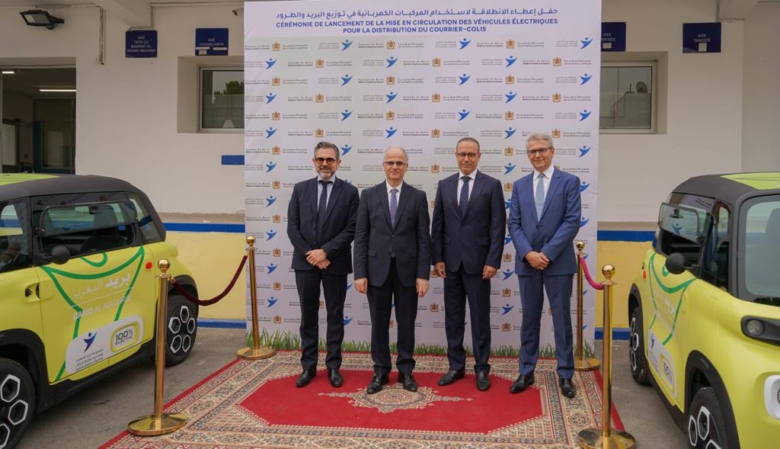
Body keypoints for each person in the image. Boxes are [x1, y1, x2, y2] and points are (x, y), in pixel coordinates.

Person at [508, 132, 582, 398]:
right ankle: (526, 371)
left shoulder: (569, 182)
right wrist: (528, 253)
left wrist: (546, 253)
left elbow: (572, 221)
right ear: (528, 155)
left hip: (558, 263)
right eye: (532, 151)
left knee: (561, 320)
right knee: (529, 319)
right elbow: (514, 224)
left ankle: (565, 374)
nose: (537, 155)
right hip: (528, 263)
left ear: (552, 151)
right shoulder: (520, 185)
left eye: (541, 150)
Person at [353, 146, 431, 394]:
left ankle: (406, 370)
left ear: (406, 166)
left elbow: (424, 239)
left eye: (399, 163)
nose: (394, 167)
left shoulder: (418, 197)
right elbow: (361, 236)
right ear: (383, 165)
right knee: (378, 324)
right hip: (377, 271)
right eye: (390, 162)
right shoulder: (368, 195)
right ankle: (381, 370)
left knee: (406, 323)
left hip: (408, 272)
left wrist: (423, 275)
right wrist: (360, 273)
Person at [431, 137, 505, 391]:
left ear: (479, 156)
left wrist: (493, 260)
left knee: (480, 318)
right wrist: (437, 258)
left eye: (471, 154)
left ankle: (482, 368)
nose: (466, 158)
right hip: (450, 264)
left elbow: (498, 226)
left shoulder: (492, 185)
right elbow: (437, 224)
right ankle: (456, 366)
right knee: (453, 318)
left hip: (479, 264)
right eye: (462, 154)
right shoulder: (445, 185)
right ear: (456, 155)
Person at [287, 141, 359, 388]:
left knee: (335, 315)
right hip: (306, 263)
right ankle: (308, 366)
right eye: (321, 159)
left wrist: (325, 252)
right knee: (308, 316)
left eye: (330, 159)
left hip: (334, 263)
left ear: (338, 162)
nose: (325, 163)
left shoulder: (350, 192)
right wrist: (312, 255)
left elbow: (352, 228)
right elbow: (293, 227)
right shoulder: (300, 189)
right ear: (314, 162)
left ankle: (333, 366)